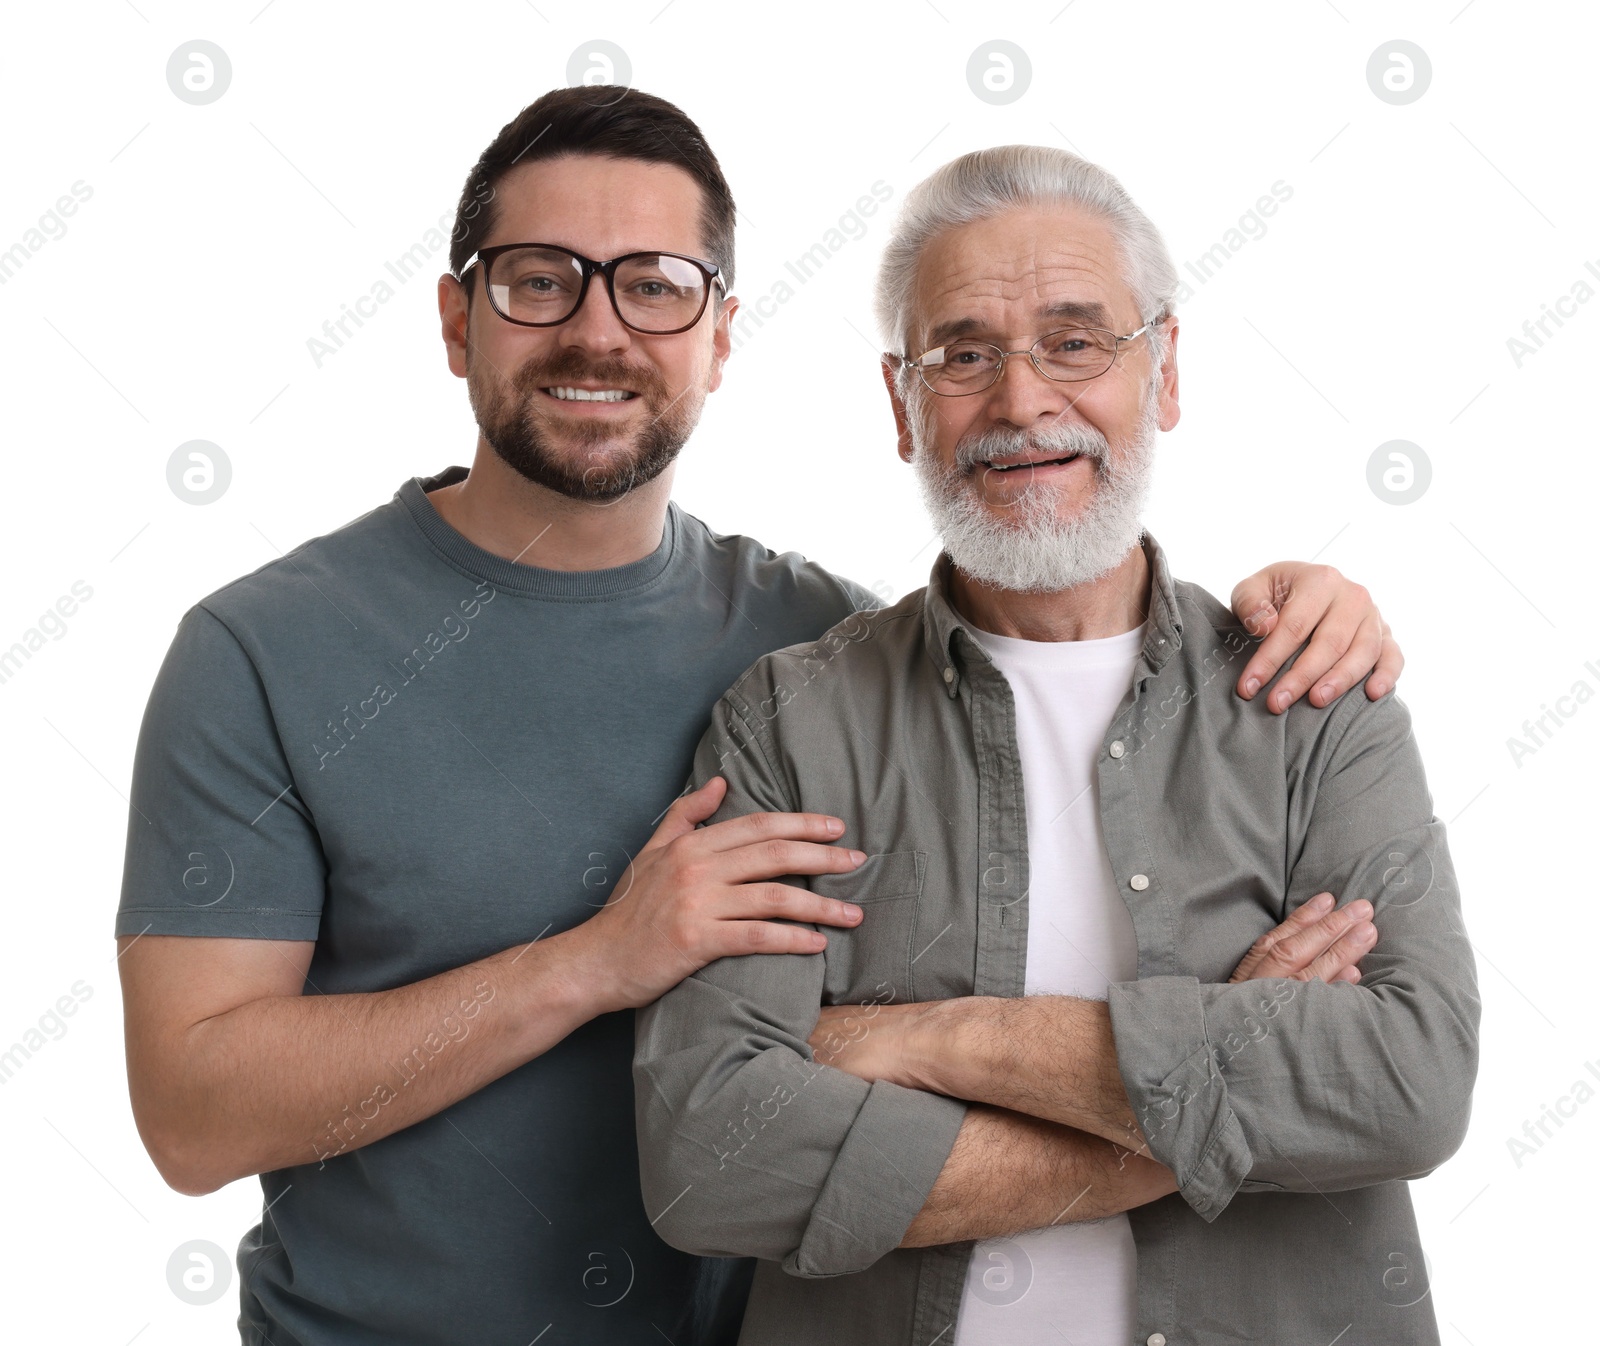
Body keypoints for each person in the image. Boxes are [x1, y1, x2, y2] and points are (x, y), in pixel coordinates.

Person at [117, 89, 1407, 1346]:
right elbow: (194, 1116)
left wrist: (1302, 606)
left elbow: (1054, 611)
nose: (598, 330)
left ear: (721, 336)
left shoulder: (812, 650)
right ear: (458, 319)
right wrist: (591, 961)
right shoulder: (264, 650)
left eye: (657, 283)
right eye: (537, 278)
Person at [633, 144, 1476, 1346]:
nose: (1023, 402)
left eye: (1076, 341)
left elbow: (1407, 1081)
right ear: (899, 402)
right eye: (964, 353)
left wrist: (924, 1037)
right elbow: (710, 1158)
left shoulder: (1315, 690)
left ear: (1165, 369)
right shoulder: (790, 720)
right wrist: (1210, 1082)